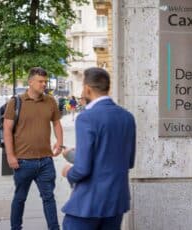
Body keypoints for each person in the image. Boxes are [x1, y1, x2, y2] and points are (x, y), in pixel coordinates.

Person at [61, 67, 136, 230]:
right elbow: (128, 161)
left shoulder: (86, 118)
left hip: (88, 203)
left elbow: (82, 169)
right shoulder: (127, 117)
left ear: (87, 88)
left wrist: (68, 172)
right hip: (116, 201)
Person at [3, 67, 63, 230]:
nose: (44, 84)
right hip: (22, 162)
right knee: (20, 198)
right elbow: (7, 129)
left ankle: (54, 228)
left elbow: (56, 122)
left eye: (45, 81)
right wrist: (10, 155)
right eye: (40, 81)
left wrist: (59, 141)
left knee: (49, 197)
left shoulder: (50, 101)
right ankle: (16, 228)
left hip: (46, 161)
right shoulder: (15, 102)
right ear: (30, 82)